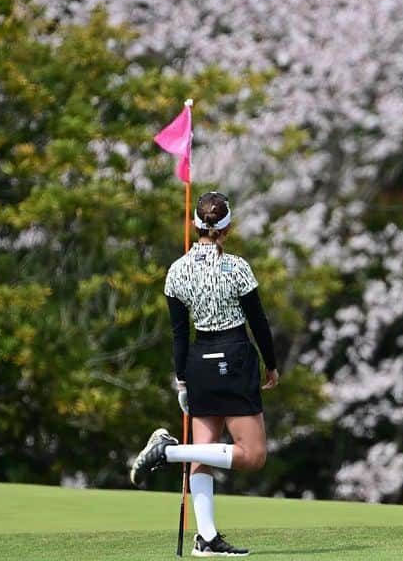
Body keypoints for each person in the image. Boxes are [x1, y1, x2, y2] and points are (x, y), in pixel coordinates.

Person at [130, 190, 279, 558]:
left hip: (199, 361)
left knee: (205, 453)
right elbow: (258, 322)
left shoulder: (176, 270)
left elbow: (180, 333)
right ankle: (170, 451)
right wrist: (271, 363)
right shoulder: (239, 267)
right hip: (235, 358)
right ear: (226, 230)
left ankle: (206, 538)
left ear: (195, 226)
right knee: (254, 455)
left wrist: (182, 377)